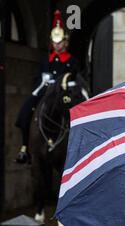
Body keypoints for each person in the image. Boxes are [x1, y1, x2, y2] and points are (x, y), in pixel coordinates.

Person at [14, 10, 80, 164]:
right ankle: (25, 148)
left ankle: (79, 149)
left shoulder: (72, 61)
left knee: (75, 115)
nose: (57, 45)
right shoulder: (46, 60)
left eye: (60, 42)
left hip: (65, 94)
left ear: (66, 42)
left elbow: (75, 79)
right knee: (24, 113)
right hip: (45, 92)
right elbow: (38, 77)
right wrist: (43, 82)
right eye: (54, 42)